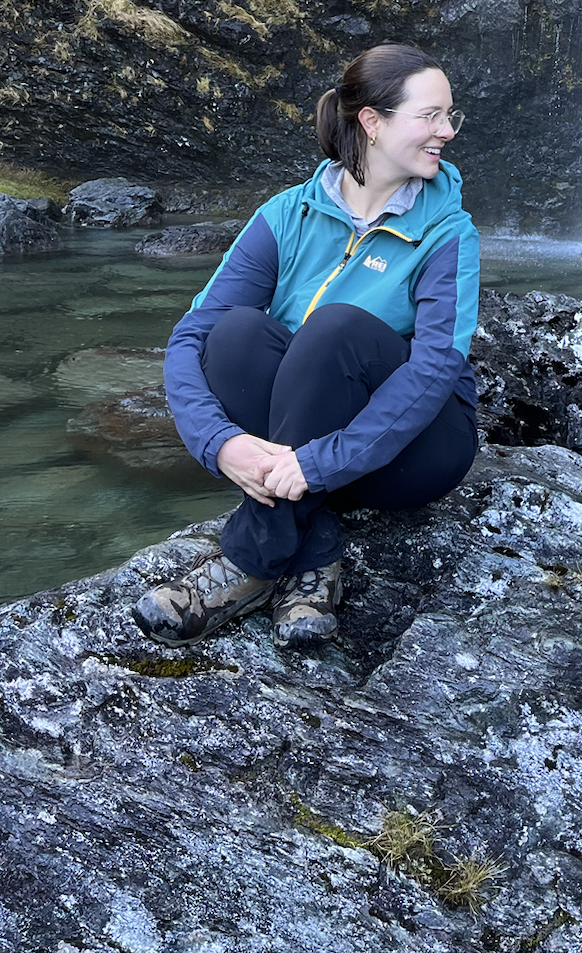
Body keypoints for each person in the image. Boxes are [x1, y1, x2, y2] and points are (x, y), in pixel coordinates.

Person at [134, 43, 481, 649]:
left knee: (336, 327)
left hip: (417, 451)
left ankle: (249, 563)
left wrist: (321, 461)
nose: (446, 132)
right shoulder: (285, 215)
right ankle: (314, 554)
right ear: (371, 122)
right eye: (430, 116)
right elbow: (191, 336)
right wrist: (221, 444)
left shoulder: (448, 232)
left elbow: (434, 369)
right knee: (235, 332)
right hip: (303, 453)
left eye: (450, 116)